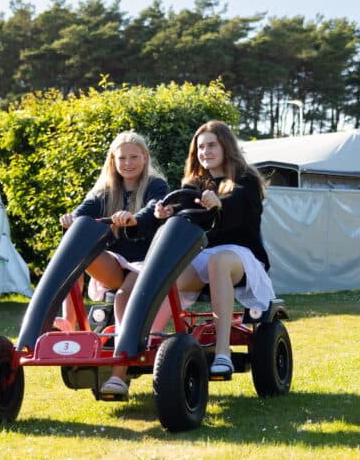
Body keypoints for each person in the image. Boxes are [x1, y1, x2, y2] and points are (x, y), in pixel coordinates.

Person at [153, 120, 275, 377]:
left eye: (211, 146)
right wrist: (167, 212)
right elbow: (184, 209)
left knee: (218, 260)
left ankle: (223, 353)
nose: (205, 152)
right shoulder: (195, 185)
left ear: (225, 147)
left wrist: (219, 203)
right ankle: (149, 342)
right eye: (200, 147)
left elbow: (238, 204)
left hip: (240, 255)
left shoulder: (246, 180)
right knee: (167, 271)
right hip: (204, 256)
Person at [58, 131, 169, 395]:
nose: (128, 163)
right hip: (117, 263)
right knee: (76, 252)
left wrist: (132, 218)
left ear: (144, 158)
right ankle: (68, 326)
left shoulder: (156, 185)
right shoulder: (104, 191)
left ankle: (119, 375)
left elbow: (153, 210)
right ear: (113, 161)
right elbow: (82, 214)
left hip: (146, 262)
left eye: (133, 157)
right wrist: (71, 219)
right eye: (122, 158)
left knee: (122, 298)